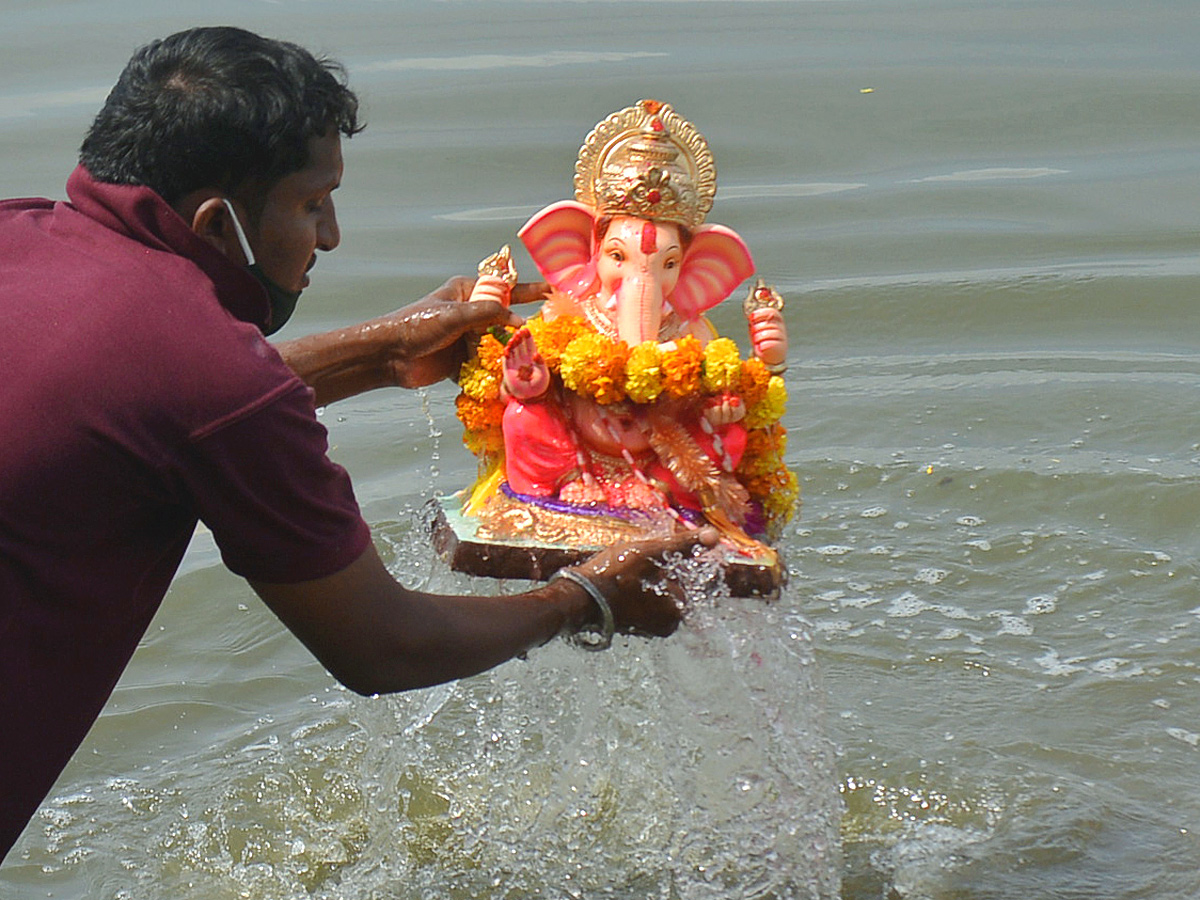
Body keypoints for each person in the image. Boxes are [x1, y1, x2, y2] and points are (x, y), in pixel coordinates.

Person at [0, 26, 717, 864]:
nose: (332, 235)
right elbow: (383, 646)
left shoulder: (17, 232)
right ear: (215, 223)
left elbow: (154, 395)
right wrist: (588, 599)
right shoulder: (211, 382)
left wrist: (382, 353)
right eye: (312, 204)